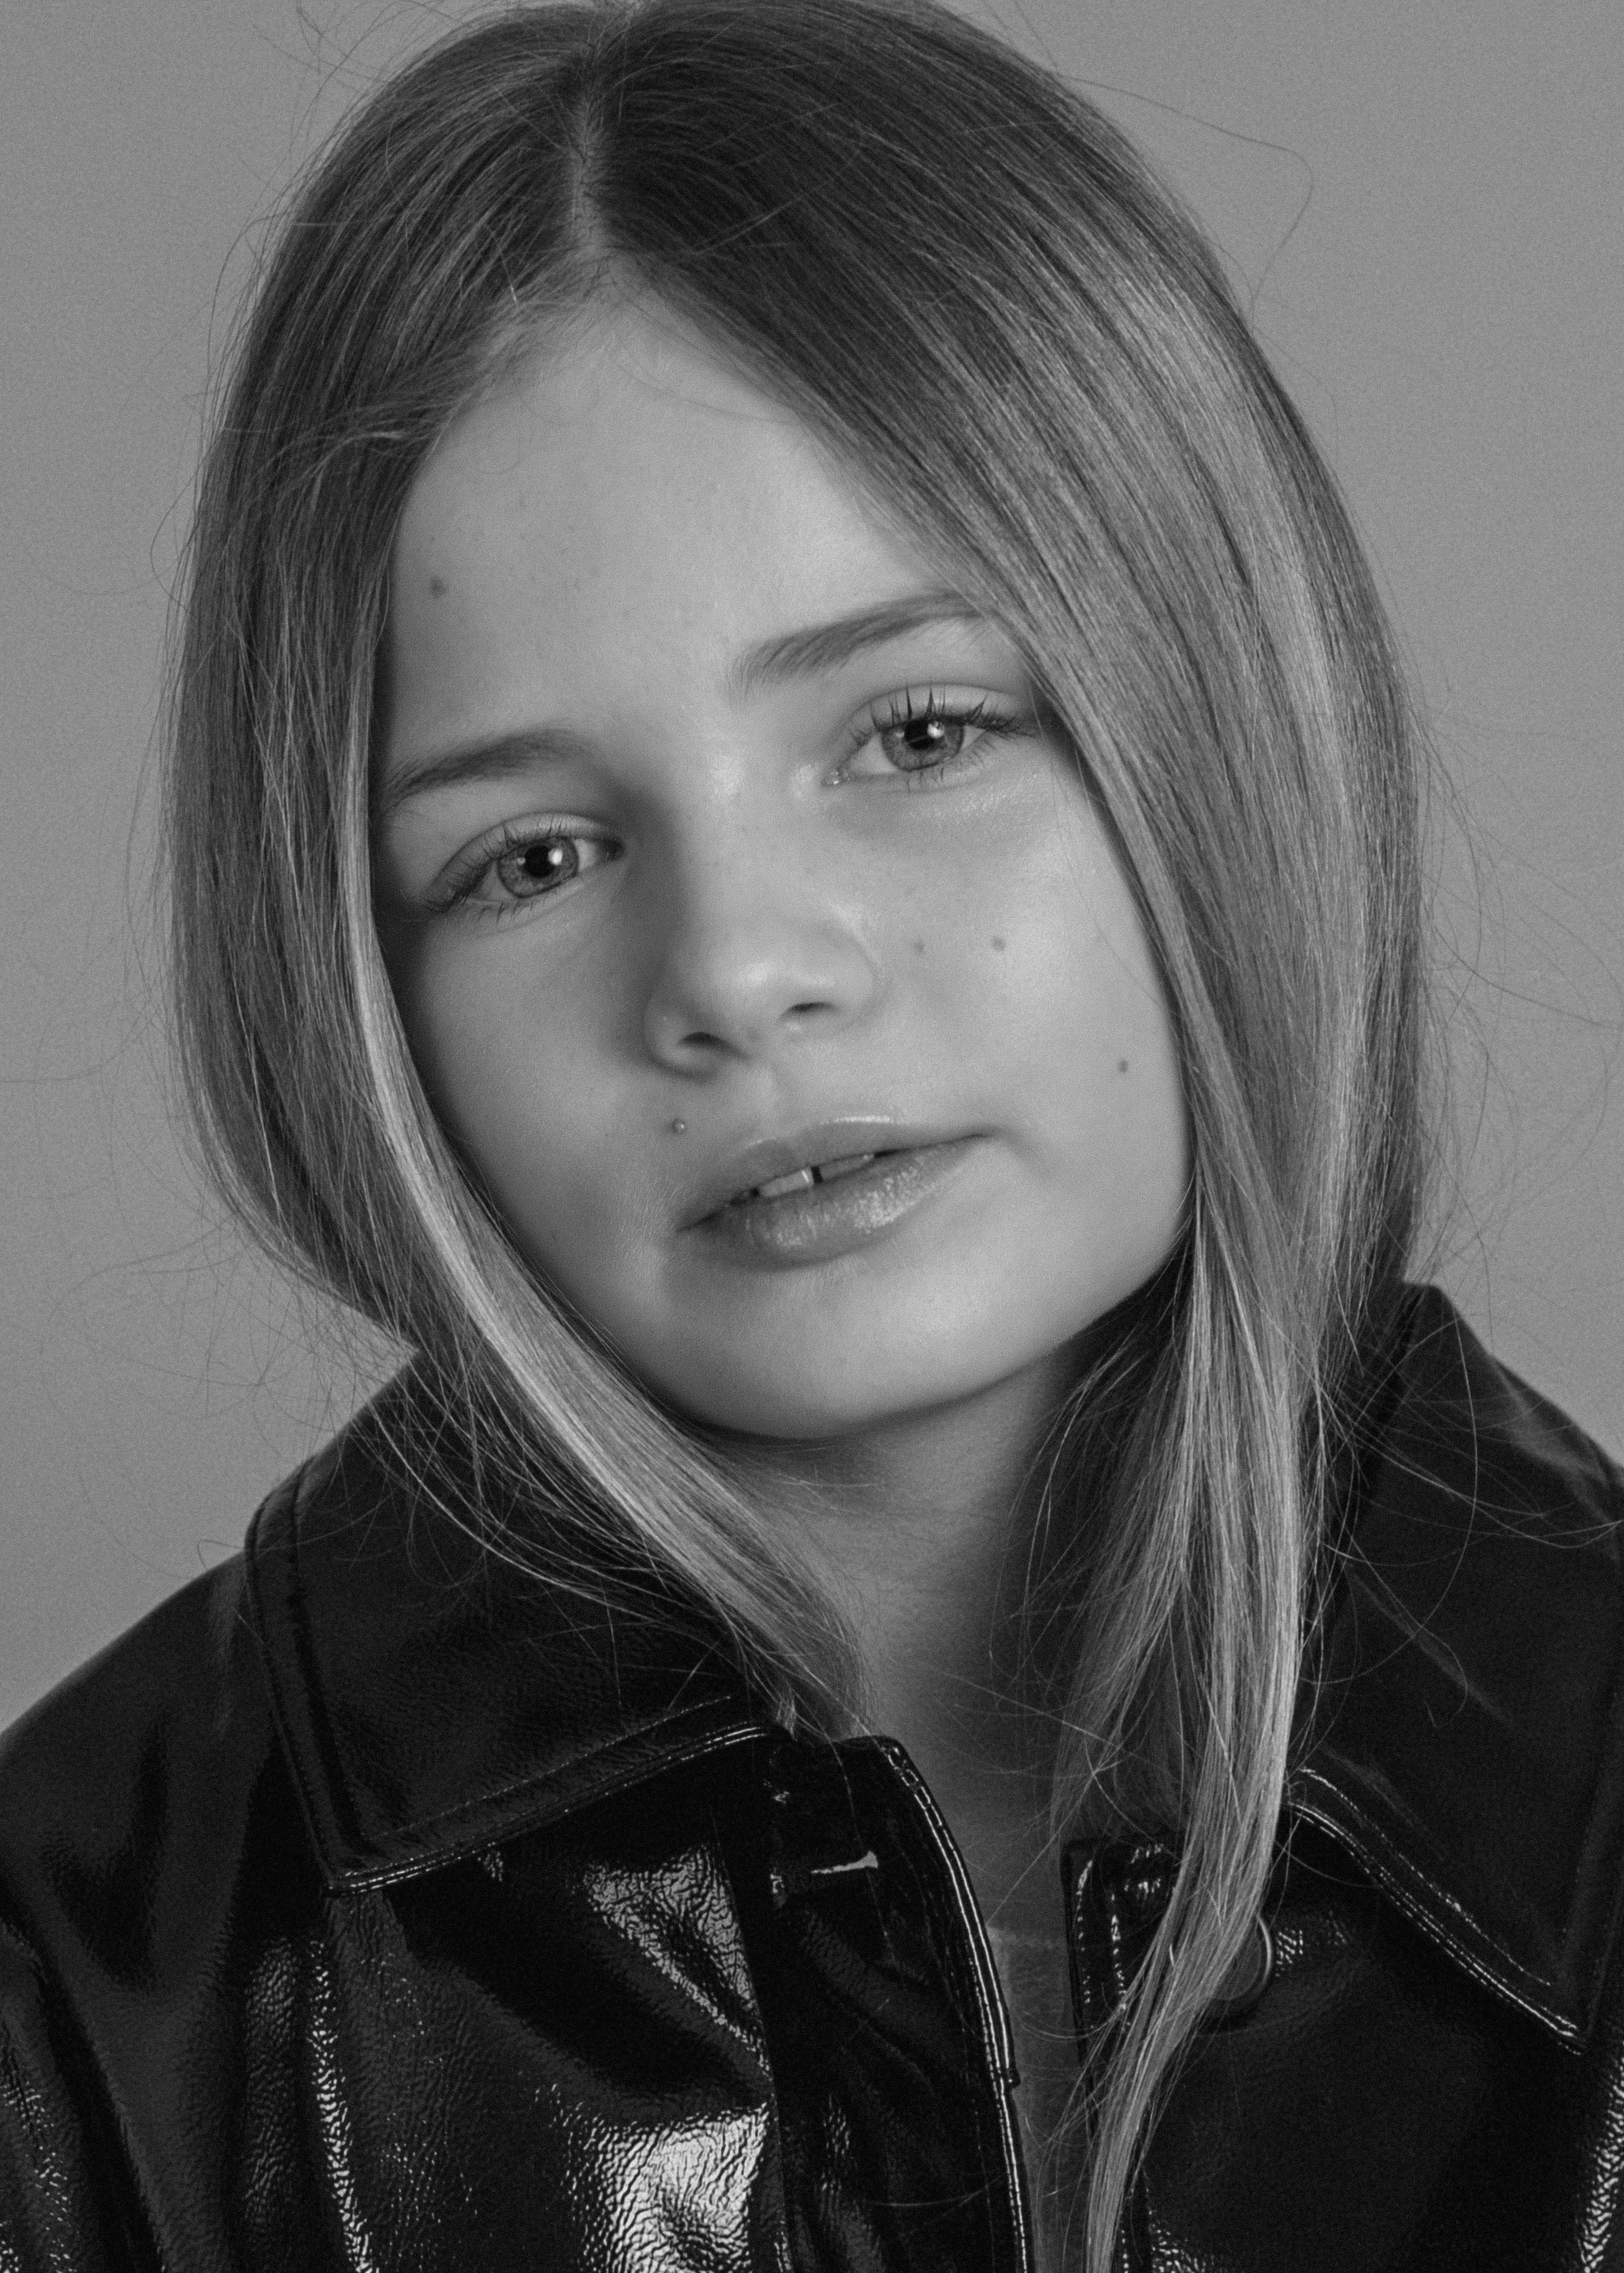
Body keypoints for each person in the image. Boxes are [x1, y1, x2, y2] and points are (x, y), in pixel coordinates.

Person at [2, 0, 1620, 2265]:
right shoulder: (78, 1986)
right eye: (528, 859)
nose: (740, 968)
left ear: (1220, 718)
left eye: (920, 726)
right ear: (353, 980)